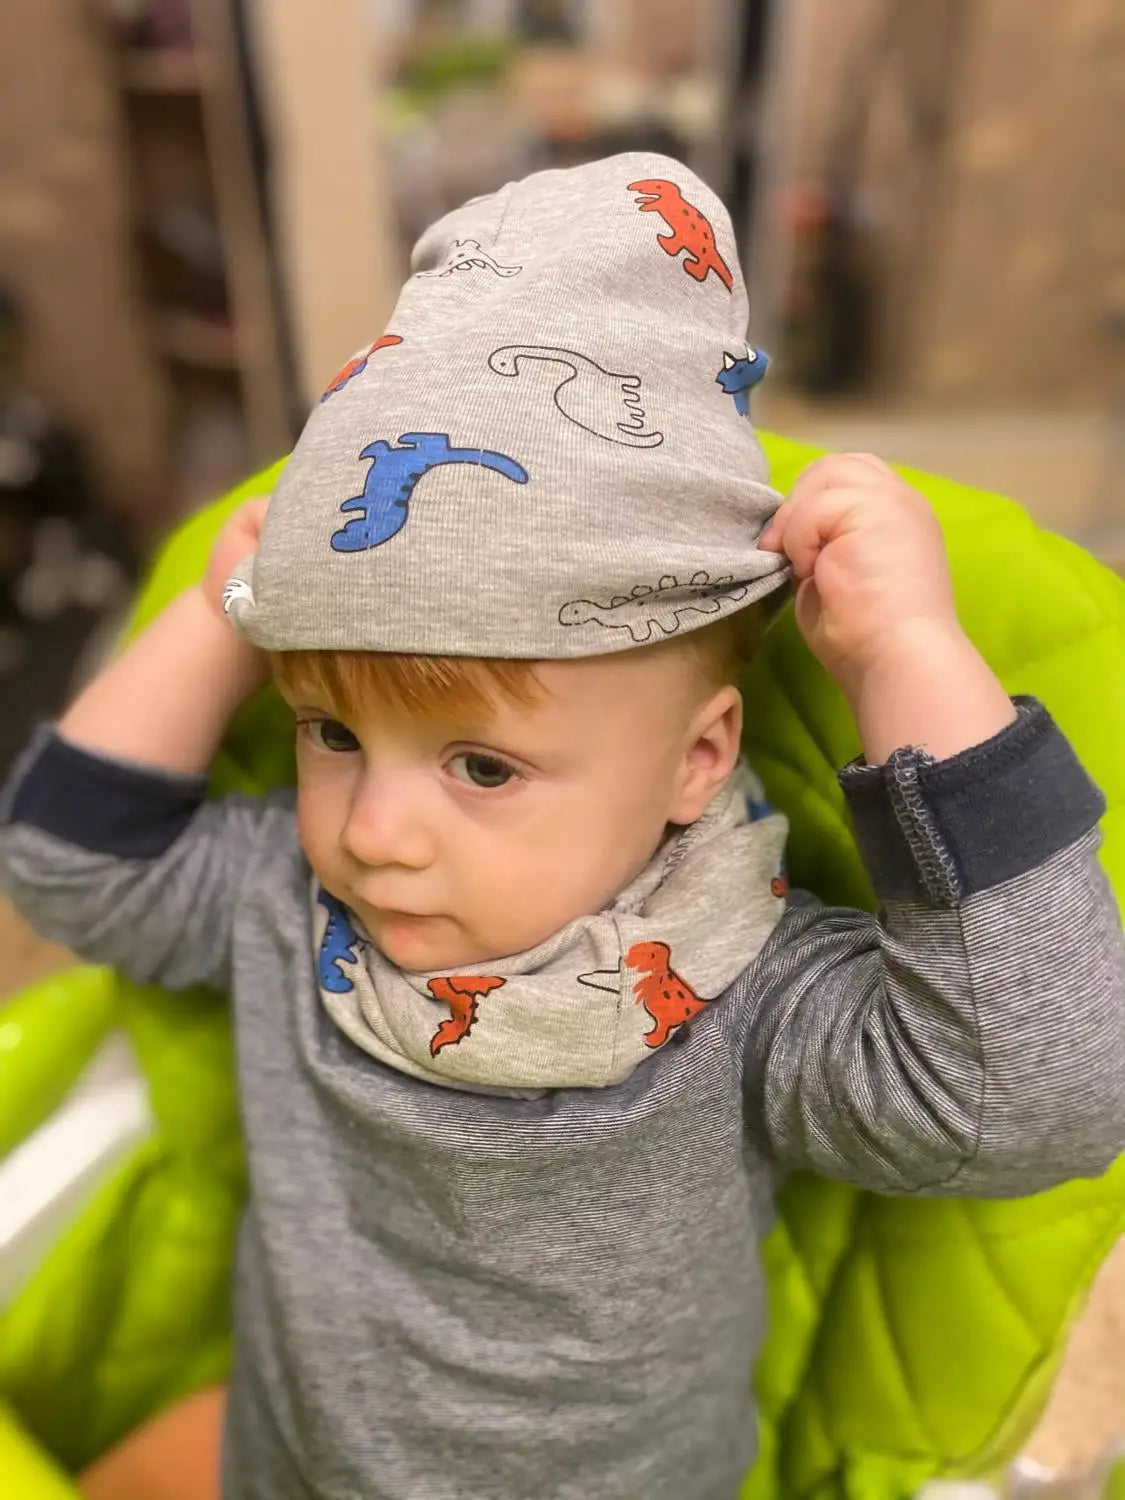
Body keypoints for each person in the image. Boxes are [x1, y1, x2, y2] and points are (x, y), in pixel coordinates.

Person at [2, 154, 1123, 1500]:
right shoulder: (284, 901)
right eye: (333, 733)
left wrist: (903, 657)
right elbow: (62, 865)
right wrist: (212, 621)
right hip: (288, 1459)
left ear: (697, 758)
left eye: (482, 766)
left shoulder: (742, 991)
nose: (377, 836)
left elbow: (1038, 1099)